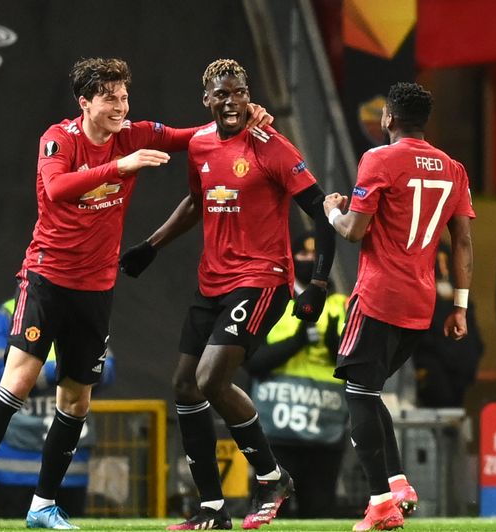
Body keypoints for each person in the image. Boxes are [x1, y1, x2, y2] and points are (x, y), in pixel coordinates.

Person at [0, 57, 273, 530]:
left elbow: (191, 137)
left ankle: (43, 506)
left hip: (95, 290)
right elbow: (56, 189)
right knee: (16, 382)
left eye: (125, 97)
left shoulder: (133, 133)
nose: (122, 107)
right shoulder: (59, 139)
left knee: (76, 402)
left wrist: (239, 115)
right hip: (47, 279)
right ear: (85, 103)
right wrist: (122, 164)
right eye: (111, 99)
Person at [117, 58, 338, 531]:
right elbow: (198, 201)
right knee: (183, 385)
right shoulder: (198, 144)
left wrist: (318, 284)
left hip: (262, 279)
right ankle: (213, 510)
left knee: (211, 378)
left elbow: (320, 213)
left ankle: (273, 477)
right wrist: (150, 247)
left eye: (239, 92)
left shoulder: (269, 143)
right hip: (211, 281)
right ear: (207, 100)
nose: (232, 101)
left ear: (248, 94)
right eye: (222, 94)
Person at [323, 81, 475, 532]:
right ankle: (398, 483)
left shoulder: (379, 159)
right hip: (423, 300)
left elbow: (353, 230)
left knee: (357, 395)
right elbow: (463, 241)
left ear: (388, 118)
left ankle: (380, 503)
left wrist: (333, 209)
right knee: (368, 392)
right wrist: (461, 307)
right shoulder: (453, 168)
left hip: (379, 295)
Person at [0, 299, 115, 518]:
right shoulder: (10, 313)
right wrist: (55, 373)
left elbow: (106, 369)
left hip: (71, 466)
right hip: (16, 463)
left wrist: (68, 373)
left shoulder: (85, 309)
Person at [245, 232, 349, 518]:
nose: (309, 260)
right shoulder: (271, 301)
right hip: (275, 430)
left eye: (315, 256)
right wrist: (298, 341)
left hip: (324, 429)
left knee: (320, 510)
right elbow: (252, 362)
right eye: (302, 255)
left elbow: (355, 362)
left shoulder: (342, 305)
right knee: (273, 512)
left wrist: (331, 345)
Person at [412, 241, 484, 408]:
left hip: (459, 355)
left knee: (453, 412)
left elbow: (464, 301)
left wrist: (474, 347)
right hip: (427, 354)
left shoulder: (447, 249)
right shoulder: (409, 248)